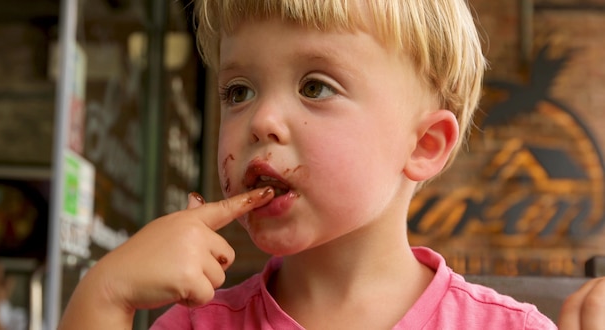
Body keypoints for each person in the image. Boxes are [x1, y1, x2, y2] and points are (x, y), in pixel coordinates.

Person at [58, 0, 603, 329]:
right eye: (238, 90)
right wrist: (103, 299)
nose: (262, 120)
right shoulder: (195, 325)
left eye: (315, 86)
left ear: (424, 145)